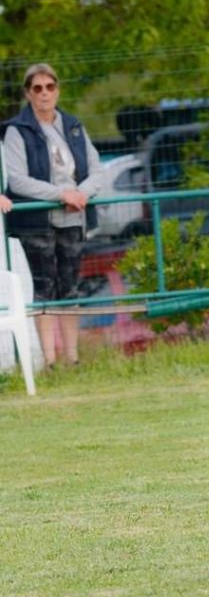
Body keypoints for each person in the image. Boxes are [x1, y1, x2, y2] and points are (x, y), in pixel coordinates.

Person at [2, 63, 104, 368]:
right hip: (38, 220)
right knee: (44, 287)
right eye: (37, 88)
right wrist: (61, 194)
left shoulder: (74, 125)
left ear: (57, 90)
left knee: (69, 287)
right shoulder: (17, 130)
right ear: (28, 93)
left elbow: (97, 169)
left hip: (74, 216)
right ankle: (49, 360)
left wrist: (81, 193)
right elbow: (17, 179)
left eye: (50, 87)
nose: (44, 93)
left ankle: (71, 358)